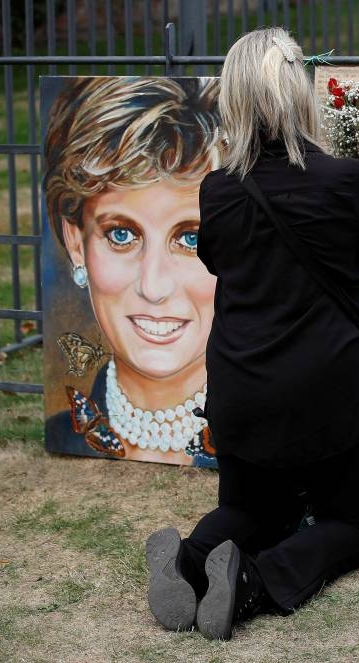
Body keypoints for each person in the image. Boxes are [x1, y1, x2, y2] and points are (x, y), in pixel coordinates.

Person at [144, 28, 359, 640]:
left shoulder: (217, 190)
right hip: (327, 391)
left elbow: (217, 260)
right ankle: (249, 585)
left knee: (250, 508)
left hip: (243, 387)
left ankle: (189, 560)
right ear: (300, 93)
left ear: (233, 99)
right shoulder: (344, 179)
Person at [43, 77, 223, 467]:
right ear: (77, 243)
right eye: (121, 234)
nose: (153, 286)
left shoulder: (271, 438)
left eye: (192, 239)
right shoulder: (64, 431)